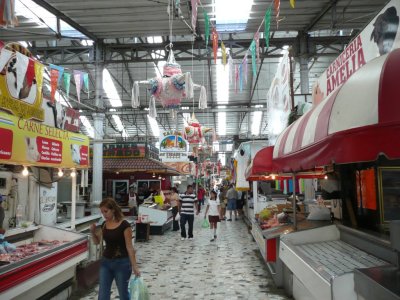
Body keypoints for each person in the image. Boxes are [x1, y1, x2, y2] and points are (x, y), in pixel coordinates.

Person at [90, 198, 140, 300]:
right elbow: (96, 242)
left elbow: (129, 247)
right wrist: (92, 232)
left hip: (122, 263)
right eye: (102, 212)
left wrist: (135, 266)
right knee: (102, 294)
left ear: (113, 210)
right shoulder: (104, 225)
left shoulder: (124, 225)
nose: (104, 214)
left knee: (123, 293)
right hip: (106, 262)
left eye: (106, 211)